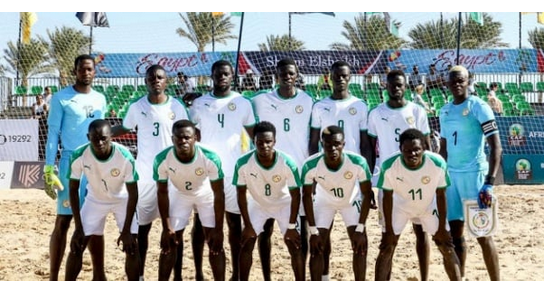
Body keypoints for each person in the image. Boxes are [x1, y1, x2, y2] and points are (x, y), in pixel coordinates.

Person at [112, 64, 190, 280]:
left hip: (173, 178)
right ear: (146, 82)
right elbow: (125, 128)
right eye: (151, 78)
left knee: (174, 232)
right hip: (145, 178)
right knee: (142, 231)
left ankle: (177, 276)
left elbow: (189, 134)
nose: (156, 80)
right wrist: (106, 133)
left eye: (160, 77)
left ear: (166, 81)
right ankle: (141, 275)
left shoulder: (177, 106)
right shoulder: (137, 107)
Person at [190, 59, 256, 281]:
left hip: (233, 173)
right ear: (212, 75)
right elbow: (192, 135)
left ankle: (236, 275)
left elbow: (255, 133)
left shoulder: (243, 103)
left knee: (234, 224)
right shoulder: (199, 103)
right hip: (206, 172)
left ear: (232, 76)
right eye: (218, 73)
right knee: (200, 224)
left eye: (226, 73)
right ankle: (199, 273)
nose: (222, 77)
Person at [43, 54, 107, 281]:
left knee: (96, 220)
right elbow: (52, 134)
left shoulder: (101, 98)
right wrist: (49, 169)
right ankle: (53, 276)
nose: (86, 73)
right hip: (70, 163)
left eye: (90, 69)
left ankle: (99, 275)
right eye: (82, 69)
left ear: (94, 72)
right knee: (64, 220)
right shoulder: (61, 98)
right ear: (75, 71)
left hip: (96, 165)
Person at [309, 60, 372, 280]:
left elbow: (365, 145)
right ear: (330, 78)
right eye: (336, 76)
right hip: (326, 178)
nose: (341, 79)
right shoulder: (319, 106)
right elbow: (313, 143)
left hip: (352, 180)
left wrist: (367, 181)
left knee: (358, 238)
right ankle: (324, 277)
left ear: (350, 78)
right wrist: (314, 178)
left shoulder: (361, 106)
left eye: (344, 76)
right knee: (320, 238)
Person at [251, 58, 314, 280]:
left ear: (297, 75)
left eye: (291, 73)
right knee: (265, 229)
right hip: (268, 172)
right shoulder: (259, 100)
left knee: (301, 230)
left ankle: (301, 275)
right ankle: (267, 276)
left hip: (298, 173)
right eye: (282, 74)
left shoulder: (308, 101)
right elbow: (235, 104)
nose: (287, 77)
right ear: (276, 77)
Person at [367, 69, 433, 281]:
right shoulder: (376, 113)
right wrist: (369, 182)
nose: (396, 88)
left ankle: (424, 277)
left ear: (406, 87)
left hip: (417, 181)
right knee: (388, 240)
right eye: (392, 85)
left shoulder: (417, 112)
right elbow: (369, 149)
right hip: (390, 184)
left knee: (421, 233)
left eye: (400, 85)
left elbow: (428, 147)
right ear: (385, 86)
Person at [439, 65, 503, 281]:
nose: (457, 84)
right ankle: (461, 277)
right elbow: (444, 150)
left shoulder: (479, 107)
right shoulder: (444, 110)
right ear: (447, 84)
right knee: (455, 234)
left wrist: (489, 183)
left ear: (468, 82)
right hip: (452, 180)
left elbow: (496, 146)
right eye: (453, 81)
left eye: (461, 80)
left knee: (483, 235)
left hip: (475, 178)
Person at [374, 128, 461, 281]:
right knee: (387, 247)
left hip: (428, 206)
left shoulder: (437, 163)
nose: (412, 154)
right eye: (407, 150)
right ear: (400, 149)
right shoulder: (389, 165)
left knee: (446, 246)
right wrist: (388, 229)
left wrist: (441, 227)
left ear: (424, 149)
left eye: (416, 150)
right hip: (399, 207)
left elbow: (441, 195)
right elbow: (387, 197)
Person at [65, 119, 140, 281]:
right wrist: (78, 227)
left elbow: (133, 193)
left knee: (132, 246)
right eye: (94, 138)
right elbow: (72, 189)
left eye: (103, 138)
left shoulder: (125, 156)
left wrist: (126, 230)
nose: (99, 142)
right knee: (76, 246)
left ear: (111, 136)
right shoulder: (79, 155)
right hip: (95, 200)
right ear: (88, 137)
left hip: (122, 200)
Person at [154, 120, 225, 281]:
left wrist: (219, 228)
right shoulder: (162, 159)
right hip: (180, 194)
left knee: (214, 242)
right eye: (179, 137)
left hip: (204, 193)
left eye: (187, 137)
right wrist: (166, 227)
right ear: (172, 139)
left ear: (195, 138)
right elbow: (162, 192)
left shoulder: (210, 157)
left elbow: (219, 194)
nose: (183, 141)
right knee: (170, 241)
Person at [233, 121, 305, 281]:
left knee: (295, 245)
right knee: (246, 243)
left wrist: (292, 226)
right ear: (254, 142)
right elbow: (241, 194)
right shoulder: (243, 163)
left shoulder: (287, 162)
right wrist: (248, 225)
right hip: (258, 204)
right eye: (260, 142)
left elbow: (296, 195)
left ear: (275, 142)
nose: (264, 145)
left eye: (268, 142)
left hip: (283, 204)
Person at [302, 125, 373, 281]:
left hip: (350, 200)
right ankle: (323, 278)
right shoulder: (310, 165)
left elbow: (367, 194)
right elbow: (307, 196)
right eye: (328, 145)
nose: (333, 148)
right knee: (316, 246)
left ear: (343, 144)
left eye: (337, 144)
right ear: (322, 144)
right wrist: (313, 231)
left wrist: (361, 228)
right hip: (324, 201)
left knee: (360, 246)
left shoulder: (358, 162)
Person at [33, 94, 49, 161]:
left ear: (42, 98)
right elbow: (33, 115)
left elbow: (45, 115)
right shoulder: (34, 105)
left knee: (44, 139)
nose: (39, 99)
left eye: (40, 98)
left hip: (44, 123)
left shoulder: (44, 105)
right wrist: (37, 117)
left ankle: (45, 155)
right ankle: (39, 155)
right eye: (37, 98)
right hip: (37, 123)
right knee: (38, 139)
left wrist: (38, 117)